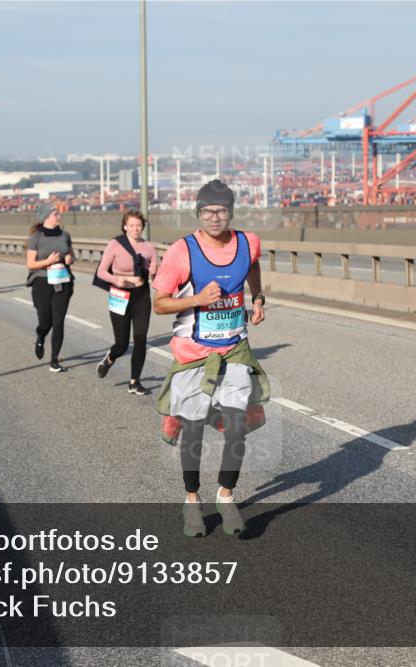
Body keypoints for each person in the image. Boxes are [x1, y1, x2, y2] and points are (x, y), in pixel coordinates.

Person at [153, 179, 269, 537]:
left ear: (231, 212)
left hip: (234, 348)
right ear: (198, 213)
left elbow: (251, 266)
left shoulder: (248, 243)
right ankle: (192, 501)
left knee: (237, 427)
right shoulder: (181, 252)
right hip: (193, 354)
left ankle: (226, 495)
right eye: (206, 211)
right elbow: (159, 303)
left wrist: (258, 297)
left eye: (220, 211)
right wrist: (196, 299)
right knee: (194, 430)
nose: (213, 218)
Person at [95, 210, 158, 395]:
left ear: (143, 227)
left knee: (140, 339)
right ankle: (110, 358)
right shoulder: (115, 244)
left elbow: (154, 274)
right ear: (125, 226)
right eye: (131, 225)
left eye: (138, 225)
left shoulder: (149, 248)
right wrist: (117, 280)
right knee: (122, 343)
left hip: (141, 295)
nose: (135, 228)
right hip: (119, 294)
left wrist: (154, 270)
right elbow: (101, 271)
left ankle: (134, 382)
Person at [26, 203, 75, 373]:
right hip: (41, 282)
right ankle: (40, 336)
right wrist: (48, 262)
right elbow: (30, 264)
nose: (59, 217)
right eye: (55, 214)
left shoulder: (64, 235)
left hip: (62, 281)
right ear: (46, 217)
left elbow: (71, 254)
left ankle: (54, 360)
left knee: (59, 322)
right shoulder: (36, 237)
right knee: (45, 322)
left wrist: (69, 259)